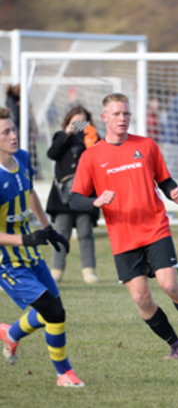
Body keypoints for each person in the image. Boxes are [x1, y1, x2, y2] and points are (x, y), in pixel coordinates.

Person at [69, 93, 178, 360]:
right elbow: (74, 199)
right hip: (123, 236)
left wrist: (174, 192)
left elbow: (165, 180)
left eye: (126, 113)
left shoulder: (146, 145)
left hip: (155, 228)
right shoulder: (92, 156)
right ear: (104, 117)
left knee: (170, 285)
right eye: (116, 114)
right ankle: (175, 345)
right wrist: (95, 201)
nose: (122, 118)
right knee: (141, 299)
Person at [0, 107, 84, 387]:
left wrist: (47, 228)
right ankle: (64, 373)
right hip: (6, 261)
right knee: (54, 312)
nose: (13, 136)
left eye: (13, 129)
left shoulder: (23, 158)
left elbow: (29, 191)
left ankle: (11, 334)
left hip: (30, 252)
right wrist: (24, 239)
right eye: (5, 132)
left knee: (52, 309)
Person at [46, 105, 100, 284]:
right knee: (62, 232)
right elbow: (52, 154)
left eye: (82, 122)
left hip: (85, 191)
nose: (78, 125)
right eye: (75, 122)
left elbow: (98, 158)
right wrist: (67, 134)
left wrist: (91, 137)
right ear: (68, 121)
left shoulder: (92, 138)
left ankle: (89, 270)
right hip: (63, 192)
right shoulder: (60, 136)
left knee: (85, 232)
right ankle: (56, 270)